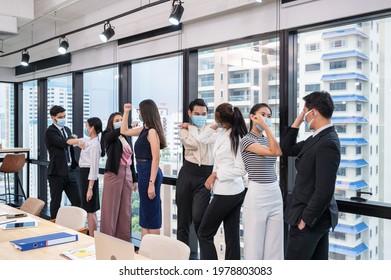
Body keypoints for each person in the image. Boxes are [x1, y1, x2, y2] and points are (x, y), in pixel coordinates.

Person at [281, 90, 341, 260]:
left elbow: (324, 190)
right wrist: (298, 121)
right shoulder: (317, 138)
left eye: (305, 112)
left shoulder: (327, 142)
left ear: (313, 112)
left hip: (310, 219)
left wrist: (305, 220)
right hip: (314, 218)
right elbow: (287, 149)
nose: (304, 116)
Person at [197, 103, 247, 260]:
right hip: (231, 192)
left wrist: (215, 175)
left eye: (215, 117)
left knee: (204, 233)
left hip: (228, 192)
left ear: (222, 120)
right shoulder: (223, 133)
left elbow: (241, 170)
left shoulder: (237, 138)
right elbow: (202, 138)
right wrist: (217, 124)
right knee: (232, 236)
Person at [240, 103, 283, 260]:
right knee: (254, 246)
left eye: (269, 116)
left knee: (275, 246)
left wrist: (266, 128)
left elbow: (275, 149)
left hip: (274, 192)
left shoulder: (267, 139)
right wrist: (266, 126)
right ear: (252, 117)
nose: (266, 119)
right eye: (263, 115)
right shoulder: (246, 140)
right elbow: (276, 152)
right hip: (257, 193)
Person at [121, 100, 167, 238]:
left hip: (149, 173)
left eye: (139, 111)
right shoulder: (143, 130)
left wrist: (151, 183)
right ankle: (145, 252)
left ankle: (153, 252)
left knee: (151, 215)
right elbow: (124, 130)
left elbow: (156, 158)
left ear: (145, 112)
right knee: (145, 214)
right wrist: (126, 112)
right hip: (143, 173)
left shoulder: (152, 132)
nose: (138, 113)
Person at [176, 98, 214, 251]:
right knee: (183, 221)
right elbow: (193, 143)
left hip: (205, 177)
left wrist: (192, 129)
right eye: (197, 113)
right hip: (187, 174)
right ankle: (182, 260)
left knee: (200, 219)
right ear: (189, 113)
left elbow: (200, 140)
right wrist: (191, 128)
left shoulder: (213, 129)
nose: (200, 116)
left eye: (203, 114)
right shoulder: (183, 130)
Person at [100, 112, 138, 242]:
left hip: (127, 173)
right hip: (114, 174)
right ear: (111, 122)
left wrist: (135, 179)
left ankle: (123, 243)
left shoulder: (127, 137)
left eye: (122, 119)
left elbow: (131, 159)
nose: (120, 121)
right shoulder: (108, 135)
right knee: (110, 210)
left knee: (125, 211)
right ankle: (106, 243)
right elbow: (110, 137)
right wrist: (126, 125)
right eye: (117, 120)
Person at [66, 117, 102, 237]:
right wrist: (77, 141)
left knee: (90, 211)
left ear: (92, 128)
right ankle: (93, 236)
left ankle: (92, 238)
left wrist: (90, 188)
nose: (85, 128)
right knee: (90, 210)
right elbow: (68, 141)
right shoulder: (88, 141)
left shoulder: (95, 145)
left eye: (87, 126)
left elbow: (94, 168)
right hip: (83, 175)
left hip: (89, 178)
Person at [45, 105, 81, 219]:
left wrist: (71, 138)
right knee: (56, 202)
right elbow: (62, 143)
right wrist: (72, 139)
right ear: (53, 118)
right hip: (56, 172)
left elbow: (68, 144)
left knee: (77, 200)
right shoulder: (50, 131)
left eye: (64, 116)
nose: (63, 119)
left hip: (70, 171)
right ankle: (54, 227)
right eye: (60, 117)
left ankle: (72, 224)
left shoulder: (67, 129)